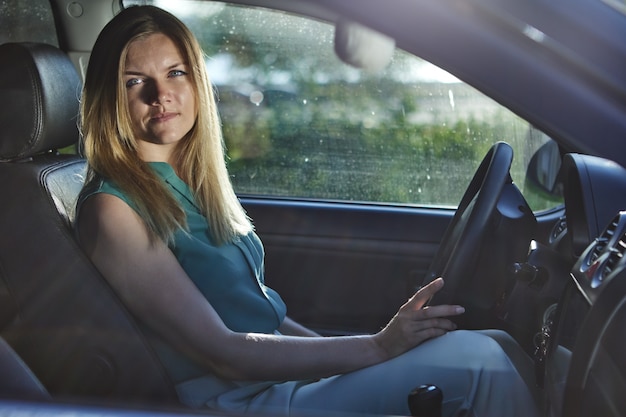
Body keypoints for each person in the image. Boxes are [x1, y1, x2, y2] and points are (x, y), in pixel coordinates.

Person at [76, 5, 539, 417]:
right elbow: (223, 353)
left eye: (176, 73)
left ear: (196, 80)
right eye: (136, 82)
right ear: (108, 96)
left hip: (271, 380)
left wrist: (354, 353)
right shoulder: (113, 208)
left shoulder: (190, 182)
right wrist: (377, 347)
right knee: (484, 365)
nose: (162, 94)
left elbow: (265, 317)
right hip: (233, 399)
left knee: (497, 344)